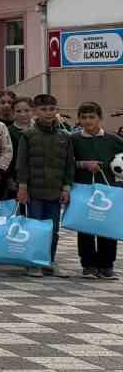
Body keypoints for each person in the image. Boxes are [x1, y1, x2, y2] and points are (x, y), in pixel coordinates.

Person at [16, 93, 74, 277]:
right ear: (35, 112)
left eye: (51, 109)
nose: (48, 113)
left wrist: (66, 187)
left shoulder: (65, 136)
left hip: (55, 190)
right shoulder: (28, 135)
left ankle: (49, 260)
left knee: (53, 229)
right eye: (43, 109)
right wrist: (22, 187)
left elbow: (69, 165)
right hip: (33, 191)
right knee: (34, 227)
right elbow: (21, 164)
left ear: (57, 110)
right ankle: (33, 262)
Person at [71, 101, 121, 280]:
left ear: (100, 118)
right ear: (79, 119)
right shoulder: (74, 139)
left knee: (107, 227)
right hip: (83, 190)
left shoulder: (113, 139)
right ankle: (89, 265)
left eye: (92, 117)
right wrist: (84, 164)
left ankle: (107, 265)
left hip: (109, 191)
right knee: (85, 227)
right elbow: (68, 163)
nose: (87, 120)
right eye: (83, 117)